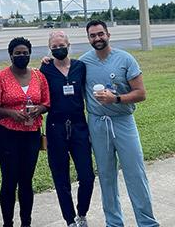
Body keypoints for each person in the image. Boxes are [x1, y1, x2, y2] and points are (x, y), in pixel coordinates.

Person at [81, 20, 159, 227]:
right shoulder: (83, 62)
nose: (97, 38)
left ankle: (147, 222)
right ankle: (114, 222)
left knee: (135, 173)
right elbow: (63, 72)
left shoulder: (125, 59)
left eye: (100, 34)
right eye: (92, 35)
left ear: (108, 34)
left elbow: (141, 93)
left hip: (123, 122)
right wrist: (46, 61)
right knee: (106, 176)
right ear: (88, 38)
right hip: (98, 124)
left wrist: (116, 99)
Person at [40, 31, 94, 227]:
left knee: (87, 175)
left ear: (69, 45)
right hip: (56, 127)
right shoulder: (46, 69)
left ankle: (82, 213)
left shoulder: (80, 67)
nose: (58, 49)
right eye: (54, 47)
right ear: (50, 49)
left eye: (61, 45)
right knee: (60, 176)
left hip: (79, 126)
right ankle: (70, 219)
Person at [0, 37, 50, 227]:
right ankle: (7, 223)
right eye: (17, 53)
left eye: (25, 53)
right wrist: (10, 113)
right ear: (11, 55)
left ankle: (26, 222)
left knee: (26, 180)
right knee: (9, 180)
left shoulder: (38, 76)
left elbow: (46, 102)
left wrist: (38, 110)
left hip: (31, 134)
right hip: (7, 134)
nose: (21, 56)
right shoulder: (1, 76)